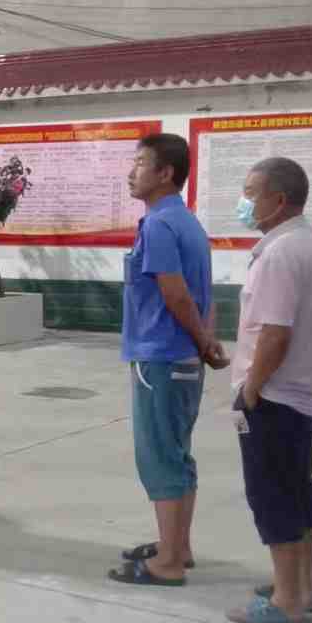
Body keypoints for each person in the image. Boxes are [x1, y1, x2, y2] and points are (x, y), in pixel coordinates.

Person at [223, 157, 312, 623]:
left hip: (274, 396)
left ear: (279, 200)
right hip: (302, 394)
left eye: (251, 192)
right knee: (297, 488)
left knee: (272, 494)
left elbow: (275, 333)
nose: (244, 201)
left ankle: (286, 600)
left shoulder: (280, 253)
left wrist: (251, 389)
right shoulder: (311, 245)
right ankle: (301, 587)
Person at [110, 133, 226, 586]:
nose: (131, 172)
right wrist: (205, 341)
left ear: (165, 173)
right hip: (182, 357)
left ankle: (169, 563)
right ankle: (177, 546)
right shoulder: (187, 222)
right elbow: (204, 292)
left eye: (140, 163)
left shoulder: (160, 225)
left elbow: (176, 294)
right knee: (176, 453)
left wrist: (202, 340)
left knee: (159, 457)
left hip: (160, 356)